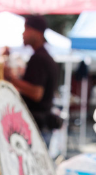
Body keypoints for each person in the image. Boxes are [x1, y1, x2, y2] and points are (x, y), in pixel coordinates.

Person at [4, 15, 61, 145]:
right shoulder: (43, 56)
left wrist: (11, 79)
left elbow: (36, 93)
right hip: (42, 124)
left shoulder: (39, 58)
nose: (23, 34)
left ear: (37, 32)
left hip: (37, 126)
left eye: (26, 29)